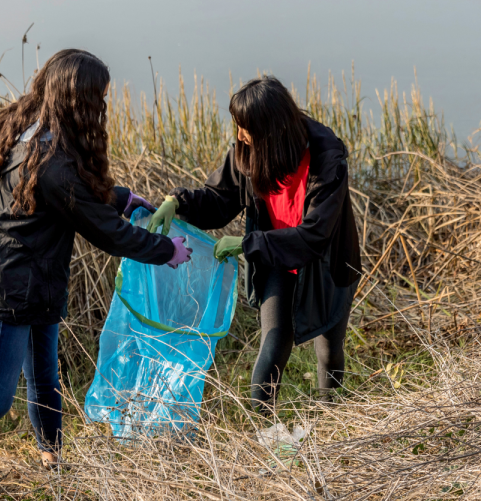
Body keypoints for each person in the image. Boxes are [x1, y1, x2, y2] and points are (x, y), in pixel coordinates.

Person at [0, 49, 191, 501]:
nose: (103, 107)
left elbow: (81, 196)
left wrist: (124, 197)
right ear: (76, 99)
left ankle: (52, 460)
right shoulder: (52, 160)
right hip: (5, 285)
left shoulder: (38, 131)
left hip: (34, 279)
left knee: (45, 378)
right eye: (99, 98)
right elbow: (106, 231)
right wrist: (167, 251)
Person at [148, 76, 361, 414]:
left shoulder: (326, 158)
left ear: (271, 130)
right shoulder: (246, 152)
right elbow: (220, 199)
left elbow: (314, 236)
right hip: (276, 260)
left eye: (245, 128)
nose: (238, 136)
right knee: (273, 343)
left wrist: (250, 243)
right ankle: (265, 437)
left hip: (326, 264)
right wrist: (178, 201)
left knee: (328, 350)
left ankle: (329, 422)